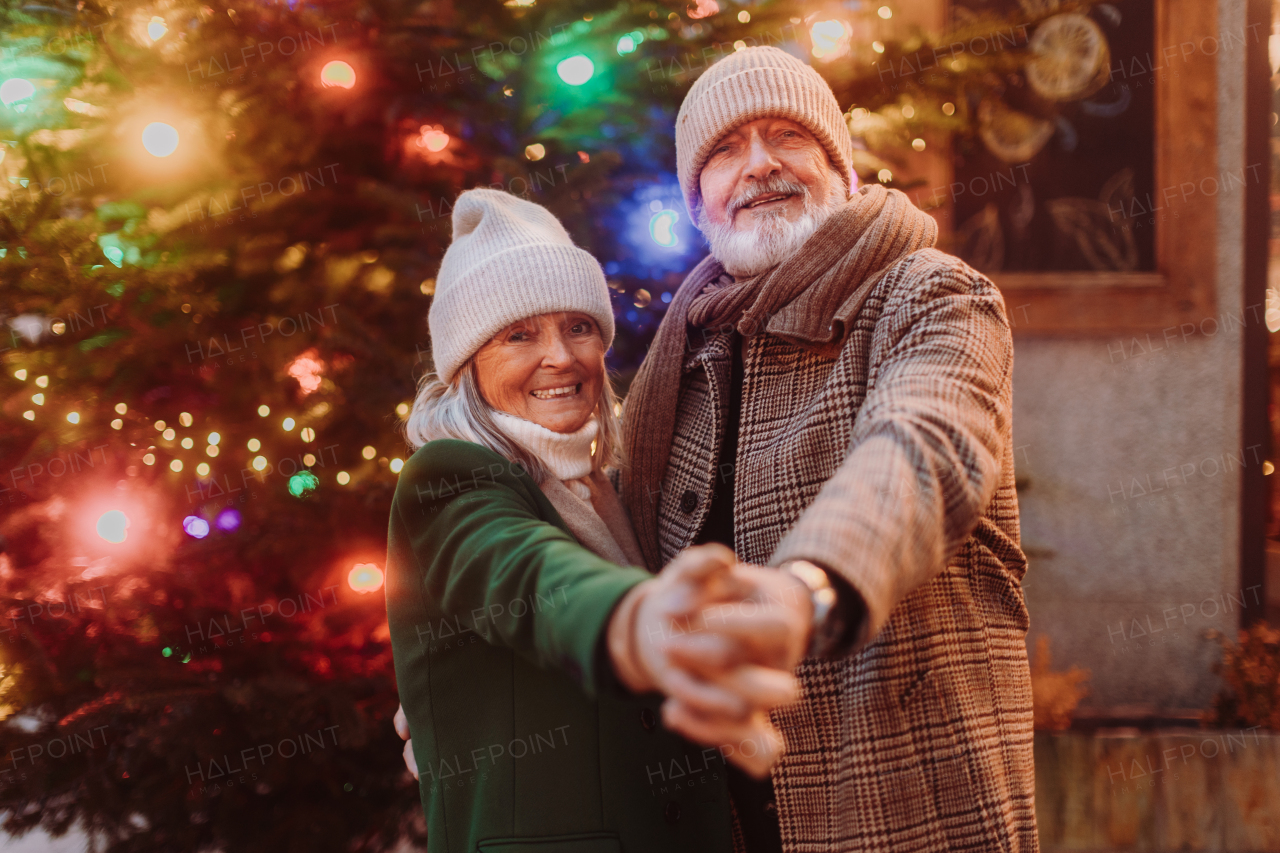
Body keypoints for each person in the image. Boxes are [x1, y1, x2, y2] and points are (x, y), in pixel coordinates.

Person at [617, 46, 1039, 852]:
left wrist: (806, 589)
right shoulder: (687, 358)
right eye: (725, 151)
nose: (760, 165)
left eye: (788, 136)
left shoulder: (932, 292)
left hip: (914, 811)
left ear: (840, 169)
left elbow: (922, 446)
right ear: (697, 199)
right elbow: (593, 540)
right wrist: (468, 692)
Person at [385, 188, 806, 853]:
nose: (561, 355)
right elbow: (530, 578)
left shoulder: (606, 488)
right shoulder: (449, 476)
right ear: (467, 364)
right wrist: (641, 621)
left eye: (578, 326)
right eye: (519, 334)